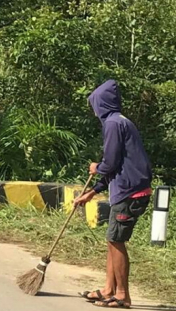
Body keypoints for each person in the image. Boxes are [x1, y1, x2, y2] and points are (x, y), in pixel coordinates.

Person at [75, 79, 152, 309]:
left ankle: (122, 295)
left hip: (131, 192)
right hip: (124, 190)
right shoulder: (120, 122)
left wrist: (96, 168)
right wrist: (92, 192)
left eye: (94, 104)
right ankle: (108, 289)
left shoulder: (112, 124)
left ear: (102, 103)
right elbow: (115, 165)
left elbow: (109, 164)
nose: (94, 110)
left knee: (116, 241)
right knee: (112, 240)